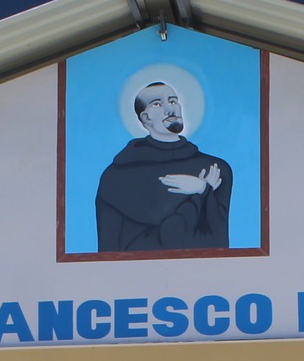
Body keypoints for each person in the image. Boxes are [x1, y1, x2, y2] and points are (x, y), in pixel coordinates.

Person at [95, 81, 233, 253]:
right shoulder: (116, 177)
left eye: (173, 101)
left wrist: (201, 189)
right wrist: (201, 193)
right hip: (137, 275)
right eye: (158, 104)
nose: (170, 109)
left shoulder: (216, 168)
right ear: (145, 118)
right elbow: (109, 248)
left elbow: (218, 243)